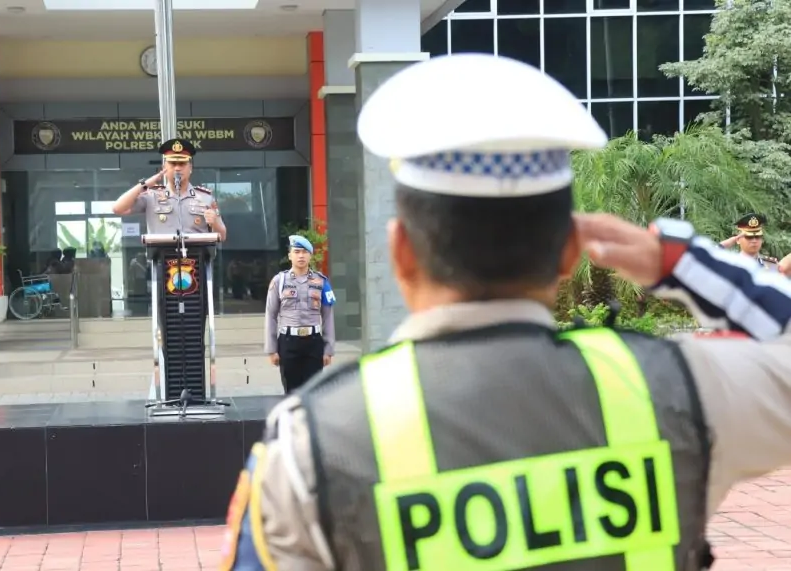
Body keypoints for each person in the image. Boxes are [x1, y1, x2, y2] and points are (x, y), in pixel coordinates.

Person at [220, 53, 791, 571]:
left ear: (400, 251)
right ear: (571, 251)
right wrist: (677, 258)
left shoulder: (312, 443)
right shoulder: (681, 390)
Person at [111, 138, 228, 241]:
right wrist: (144, 184)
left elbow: (222, 235)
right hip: (162, 260)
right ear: (164, 168)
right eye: (172, 163)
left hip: (197, 260)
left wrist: (215, 222)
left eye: (182, 164)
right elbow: (118, 208)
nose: (177, 168)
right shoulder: (152, 196)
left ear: (190, 168)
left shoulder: (205, 197)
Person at [264, 235, 336, 394]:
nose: (301, 256)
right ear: (290, 255)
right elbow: (271, 314)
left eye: (305, 252)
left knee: (314, 392)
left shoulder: (321, 282)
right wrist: (272, 349)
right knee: (291, 392)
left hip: (314, 342)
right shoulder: (279, 281)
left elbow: (328, 316)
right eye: (296, 252)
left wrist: (328, 349)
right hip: (289, 342)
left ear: (311, 255)